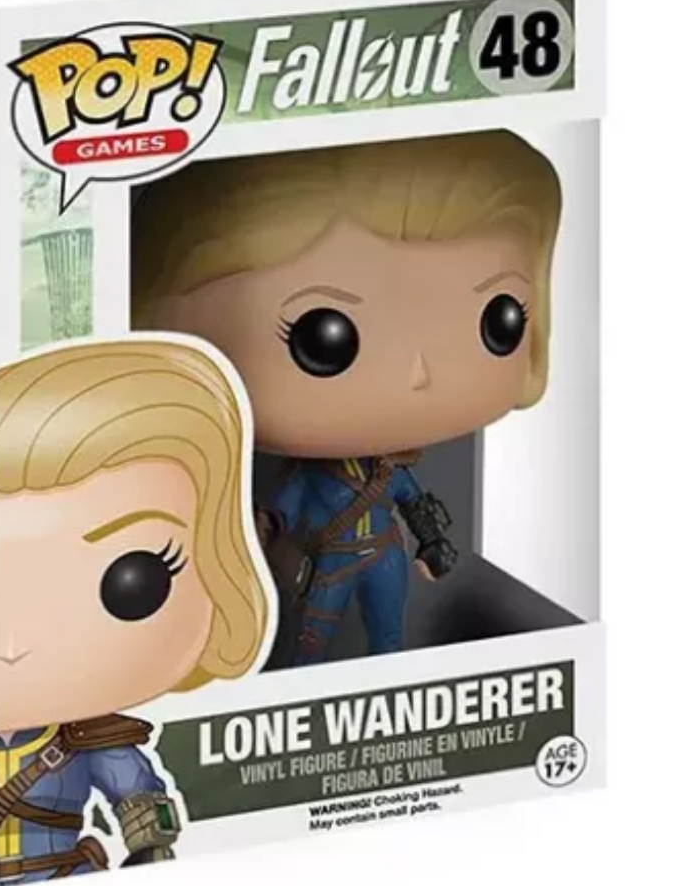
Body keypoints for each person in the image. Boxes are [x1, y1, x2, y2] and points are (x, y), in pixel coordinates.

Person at [132, 131, 562, 666]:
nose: (419, 371)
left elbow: (413, 503)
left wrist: (432, 546)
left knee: (389, 635)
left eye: (499, 319)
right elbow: (277, 514)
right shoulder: (311, 477)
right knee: (310, 644)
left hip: (385, 555)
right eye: (323, 338)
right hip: (331, 561)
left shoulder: (390, 470)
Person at [0, 339, 270, 883]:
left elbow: (141, 804)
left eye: (133, 581)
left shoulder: (89, 742)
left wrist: (149, 852)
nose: (15, 645)